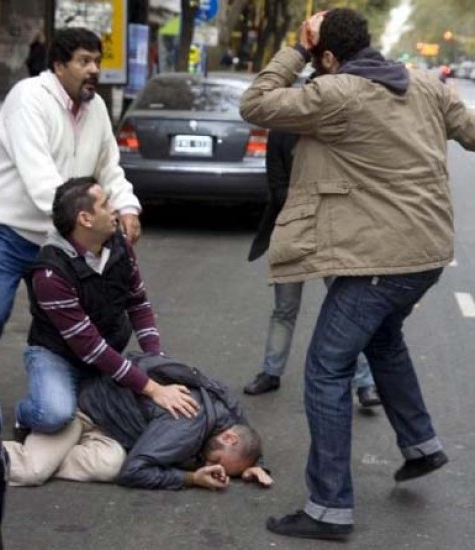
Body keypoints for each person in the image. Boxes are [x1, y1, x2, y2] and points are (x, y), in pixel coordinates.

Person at [240, 8, 475, 541]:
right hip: (427, 252)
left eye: (316, 56)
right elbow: (471, 132)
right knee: (384, 341)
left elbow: (254, 102)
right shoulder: (424, 84)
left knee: (326, 368)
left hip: (379, 260)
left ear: (327, 56)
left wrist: (295, 51)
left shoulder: (335, 91)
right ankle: (420, 444)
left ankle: (328, 507)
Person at [0, 27, 141, 370]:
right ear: (58, 65)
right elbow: (40, 179)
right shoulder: (28, 98)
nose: (94, 70)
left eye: (97, 61)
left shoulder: (96, 106)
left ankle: (53, 401)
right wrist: (86, 226)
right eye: (84, 61)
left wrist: (127, 206)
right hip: (4, 231)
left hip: (57, 239)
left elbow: (108, 167)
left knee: (67, 326)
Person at [15, 176, 198, 435]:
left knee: (127, 411)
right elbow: (91, 348)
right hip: (58, 355)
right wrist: (154, 388)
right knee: (55, 414)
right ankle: (25, 415)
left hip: (104, 351)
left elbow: (138, 303)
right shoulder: (50, 274)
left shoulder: (119, 245)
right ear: (85, 219)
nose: (114, 208)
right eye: (105, 204)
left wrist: (156, 362)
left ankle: (81, 393)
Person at [244, 130, 380, 409]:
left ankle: (365, 384)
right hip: (292, 230)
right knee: (284, 309)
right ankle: (271, 373)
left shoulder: (335, 130)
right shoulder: (282, 133)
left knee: (347, 310)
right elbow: (278, 186)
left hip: (334, 232)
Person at [4, 354, 273, 491]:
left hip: (110, 428)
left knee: (109, 466)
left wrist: (252, 466)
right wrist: (191, 478)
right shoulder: (187, 426)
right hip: (82, 412)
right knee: (34, 471)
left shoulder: (225, 411)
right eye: (217, 462)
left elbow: (245, 428)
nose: (211, 465)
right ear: (229, 438)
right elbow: (133, 473)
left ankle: (49, 450)